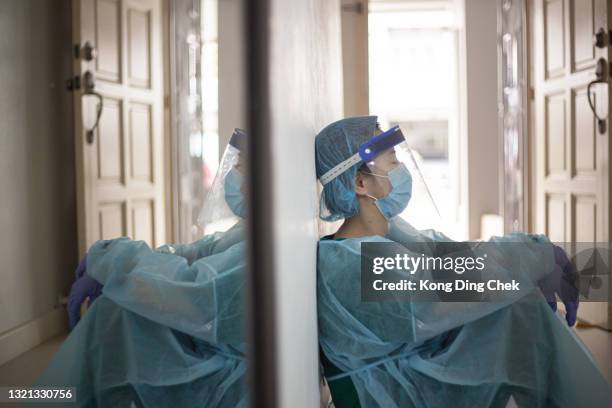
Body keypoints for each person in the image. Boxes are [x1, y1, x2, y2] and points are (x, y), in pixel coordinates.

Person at [315, 116, 611, 407]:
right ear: (360, 183)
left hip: (411, 367)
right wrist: (536, 256)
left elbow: (451, 256)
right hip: (390, 393)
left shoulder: (385, 232)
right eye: (392, 162)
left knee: (520, 306)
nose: (402, 170)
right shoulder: (350, 267)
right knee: (522, 317)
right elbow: (442, 281)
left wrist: (533, 260)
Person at [34, 130, 250, 407]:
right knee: (116, 311)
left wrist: (114, 263)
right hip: (211, 348)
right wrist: (112, 261)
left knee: (113, 317)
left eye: (242, 168)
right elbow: (195, 254)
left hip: (225, 377)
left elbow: (193, 290)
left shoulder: (268, 243)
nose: (236, 180)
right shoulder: (251, 230)